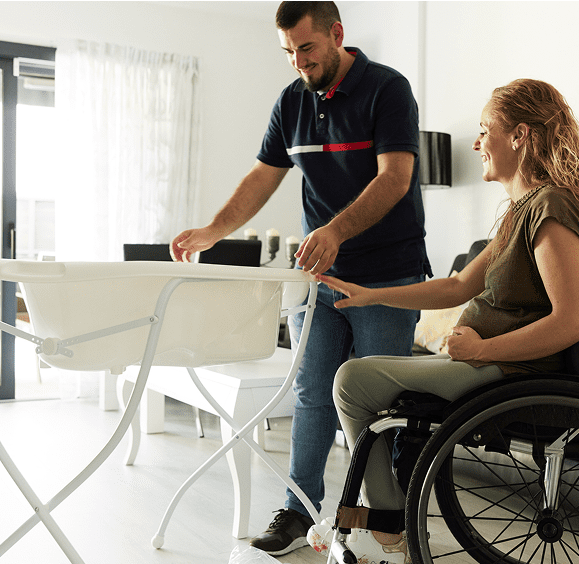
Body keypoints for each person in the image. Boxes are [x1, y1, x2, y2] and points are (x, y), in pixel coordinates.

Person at [308, 78, 579, 563]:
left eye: (484, 130)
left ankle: (389, 530)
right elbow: (456, 287)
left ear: (518, 135)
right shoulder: (522, 212)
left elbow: (574, 321)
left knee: (352, 380)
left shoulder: (551, 209)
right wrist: (373, 295)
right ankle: (390, 524)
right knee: (362, 383)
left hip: (517, 373)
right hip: (495, 369)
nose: (476, 142)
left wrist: (482, 349)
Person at [169, 1, 431, 555]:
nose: (298, 62)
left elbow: (395, 178)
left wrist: (334, 231)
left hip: (388, 275)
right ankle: (299, 512)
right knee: (312, 392)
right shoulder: (290, 101)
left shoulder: (388, 89)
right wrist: (215, 230)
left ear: (337, 34)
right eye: (288, 52)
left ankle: (386, 516)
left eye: (306, 49)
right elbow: (264, 176)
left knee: (380, 402)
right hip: (319, 275)